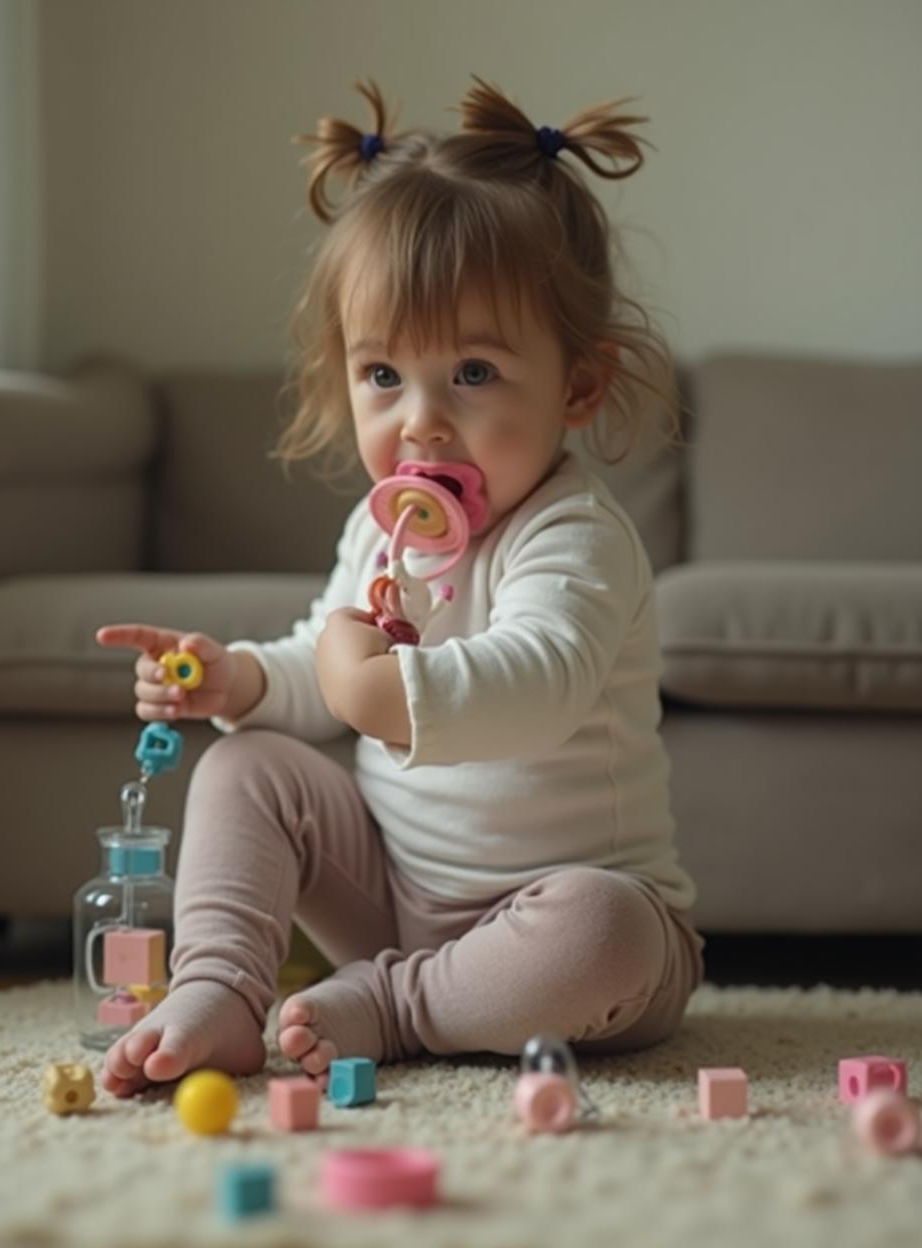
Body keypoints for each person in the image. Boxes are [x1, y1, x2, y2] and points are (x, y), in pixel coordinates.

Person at [96, 75, 704, 1097]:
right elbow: (318, 659)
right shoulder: (381, 533)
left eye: (471, 373)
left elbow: (536, 679)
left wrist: (371, 688)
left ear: (579, 385)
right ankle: (221, 989)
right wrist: (239, 683)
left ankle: (395, 1006)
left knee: (603, 931)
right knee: (245, 770)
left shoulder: (572, 535)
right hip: (392, 892)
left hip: (563, 922)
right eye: (384, 375)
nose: (418, 421)